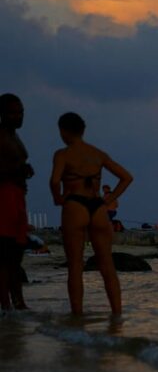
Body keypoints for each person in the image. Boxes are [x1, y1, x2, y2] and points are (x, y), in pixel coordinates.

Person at [49, 112, 133, 317]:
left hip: (75, 204)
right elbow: (126, 177)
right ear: (83, 130)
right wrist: (109, 198)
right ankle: (117, 315)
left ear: (63, 131)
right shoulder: (98, 154)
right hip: (97, 207)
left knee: (76, 265)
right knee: (107, 265)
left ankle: (77, 316)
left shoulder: (63, 154)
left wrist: (57, 198)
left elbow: (54, 181)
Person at [0, 93, 33, 311]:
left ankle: (18, 302)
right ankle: (7, 304)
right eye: (13, 112)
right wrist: (16, 171)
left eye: (21, 111)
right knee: (5, 251)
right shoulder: (0, 136)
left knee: (17, 251)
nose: (19, 116)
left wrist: (23, 171)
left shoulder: (15, 136)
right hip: (4, 195)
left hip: (18, 196)